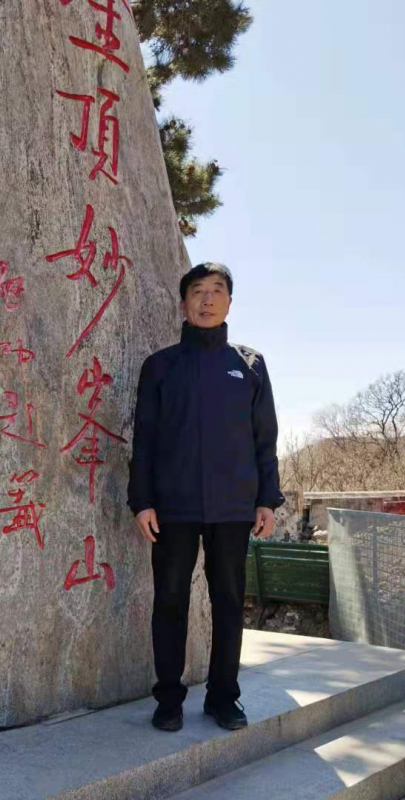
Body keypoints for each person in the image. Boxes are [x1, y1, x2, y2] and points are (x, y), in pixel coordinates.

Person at [127, 262, 284, 732]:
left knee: (230, 600)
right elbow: (146, 439)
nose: (208, 299)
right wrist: (142, 500)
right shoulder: (160, 366)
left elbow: (265, 438)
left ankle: (223, 698)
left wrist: (266, 500)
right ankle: (169, 699)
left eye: (218, 291)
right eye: (198, 291)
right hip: (173, 506)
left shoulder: (249, 365)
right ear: (184, 303)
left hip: (234, 506)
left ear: (229, 303)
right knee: (170, 598)